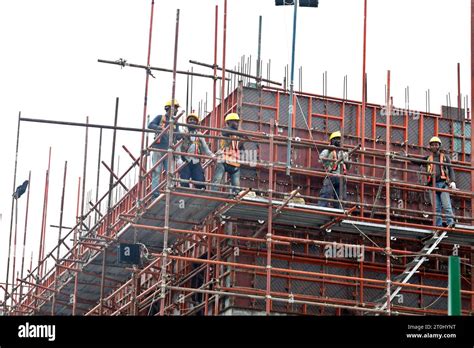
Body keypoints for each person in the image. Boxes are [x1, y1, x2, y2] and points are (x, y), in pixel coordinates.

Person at [406, 136, 456, 228]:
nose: (434, 146)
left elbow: (450, 169)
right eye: (432, 145)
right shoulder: (428, 159)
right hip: (432, 185)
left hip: (442, 184)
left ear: (439, 146)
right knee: (436, 208)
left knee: (446, 205)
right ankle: (438, 225)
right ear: (430, 147)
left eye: (436, 145)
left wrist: (452, 181)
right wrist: (407, 156)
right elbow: (417, 161)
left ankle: (450, 222)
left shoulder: (445, 158)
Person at [147, 99, 183, 198]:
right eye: (175, 108)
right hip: (158, 149)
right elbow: (150, 125)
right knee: (157, 171)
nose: (176, 111)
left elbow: (178, 136)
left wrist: (183, 135)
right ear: (169, 108)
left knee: (169, 172)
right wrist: (161, 128)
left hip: (169, 150)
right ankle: (155, 194)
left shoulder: (175, 122)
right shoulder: (160, 118)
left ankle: (169, 191)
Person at [178, 113, 215, 189]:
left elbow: (205, 148)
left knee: (200, 181)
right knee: (184, 181)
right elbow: (178, 147)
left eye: (194, 120)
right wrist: (179, 159)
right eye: (190, 120)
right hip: (185, 161)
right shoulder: (183, 134)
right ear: (187, 122)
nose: (192, 122)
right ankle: (185, 194)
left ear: (197, 123)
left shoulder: (199, 135)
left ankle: (200, 197)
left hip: (196, 161)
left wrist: (212, 156)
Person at [211, 113, 246, 194]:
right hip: (223, 161)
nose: (237, 124)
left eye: (237, 122)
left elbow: (241, 150)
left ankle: (235, 197)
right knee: (217, 181)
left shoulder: (238, 136)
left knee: (236, 187)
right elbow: (229, 132)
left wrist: (244, 141)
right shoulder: (225, 130)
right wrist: (243, 135)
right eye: (235, 121)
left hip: (234, 163)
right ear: (228, 122)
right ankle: (212, 195)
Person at [317, 131, 351, 209]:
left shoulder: (344, 152)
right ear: (331, 140)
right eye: (336, 139)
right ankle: (321, 208)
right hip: (331, 175)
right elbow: (320, 159)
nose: (338, 141)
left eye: (339, 139)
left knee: (340, 198)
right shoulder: (327, 150)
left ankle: (338, 212)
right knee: (326, 193)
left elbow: (348, 167)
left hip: (342, 177)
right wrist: (329, 150)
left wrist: (349, 157)